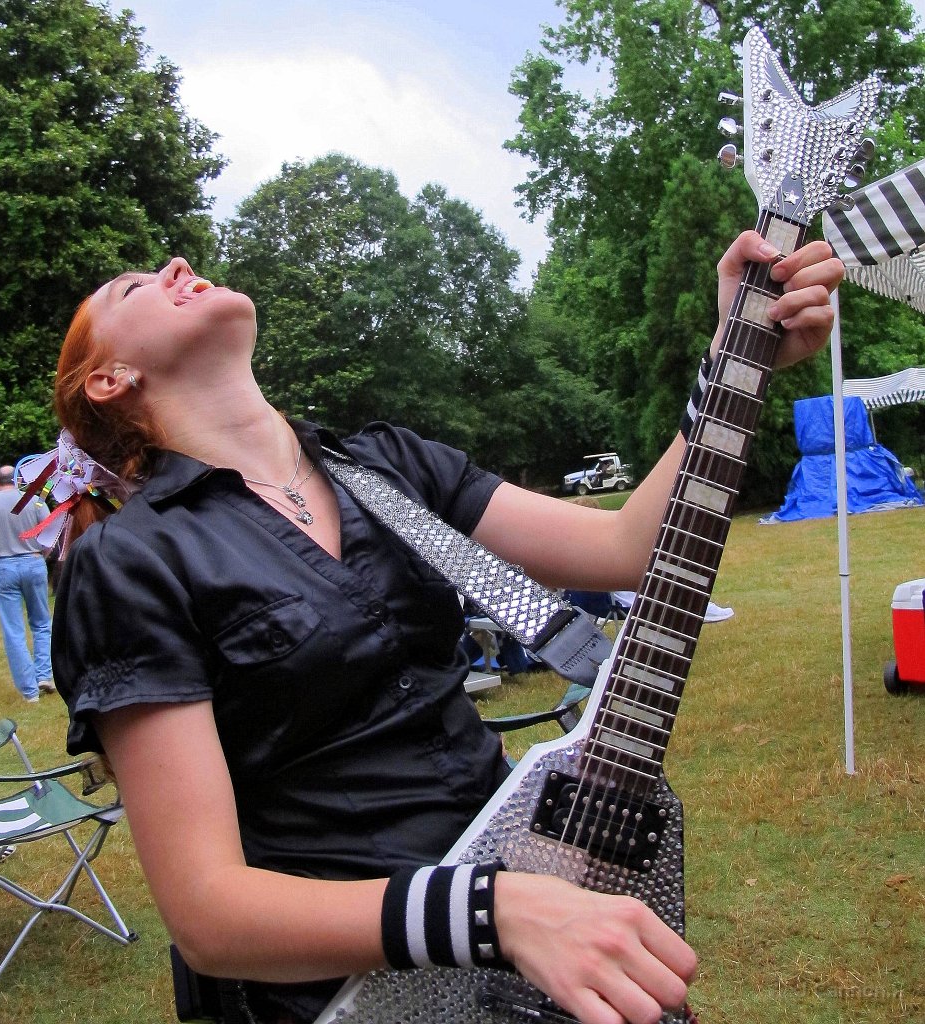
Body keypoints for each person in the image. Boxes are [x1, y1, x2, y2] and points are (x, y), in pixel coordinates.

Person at [45, 232, 842, 1024]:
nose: (177, 266)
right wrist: (497, 913)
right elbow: (211, 917)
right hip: (350, 994)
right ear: (111, 379)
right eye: (134, 287)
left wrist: (735, 358)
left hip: (538, 932)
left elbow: (628, 549)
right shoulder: (129, 561)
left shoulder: (388, 467)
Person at [0, 465, 54, 703]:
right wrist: (41, 557)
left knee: (13, 630)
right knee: (41, 623)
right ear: (18, 481)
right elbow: (49, 536)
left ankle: (29, 691)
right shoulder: (35, 502)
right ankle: (44, 675)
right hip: (34, 562)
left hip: (2, 566)